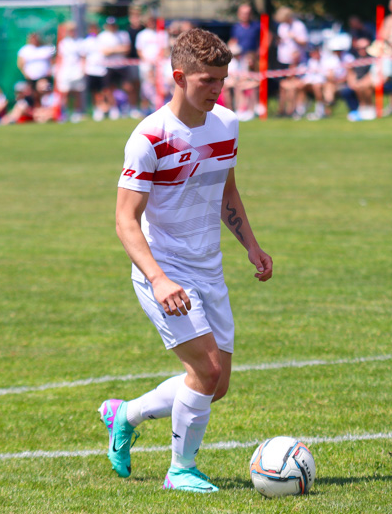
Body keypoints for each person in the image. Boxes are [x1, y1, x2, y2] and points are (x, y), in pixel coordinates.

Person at [101, 28, 273, 493]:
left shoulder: (227, 124)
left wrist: (251, 246)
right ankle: (181, 470)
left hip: (209, 268)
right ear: (179, 77)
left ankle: (125, 414)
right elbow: (124, 220)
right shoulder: (149, 137)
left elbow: (226, 188)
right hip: (165, 271)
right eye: (208, 81)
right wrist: (157, 278)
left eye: (223, 79)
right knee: (206, 371)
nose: (218, 90)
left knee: (217, 386)